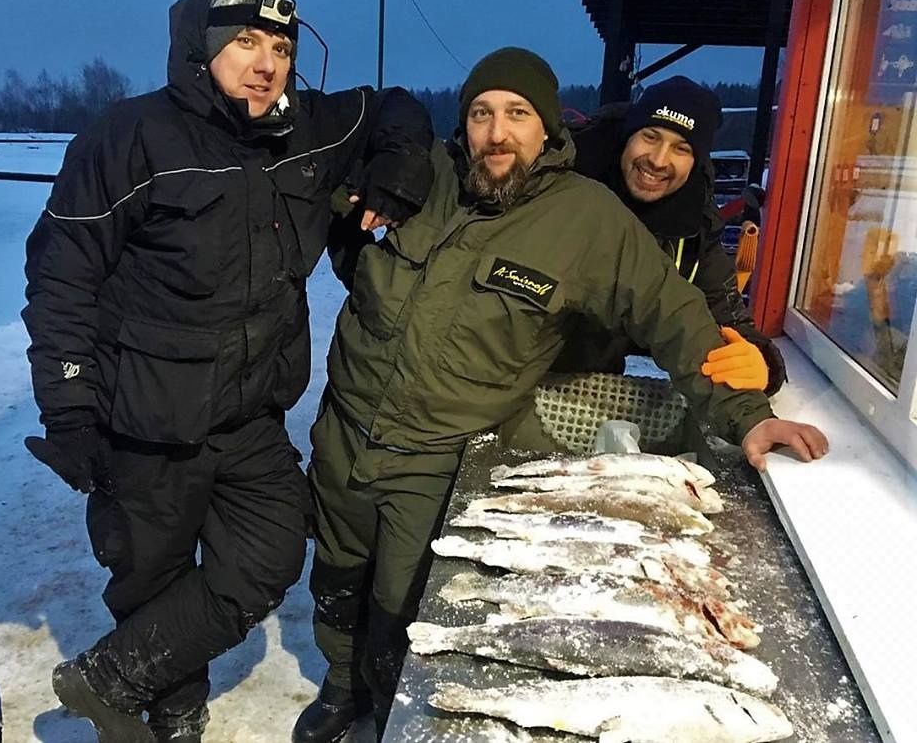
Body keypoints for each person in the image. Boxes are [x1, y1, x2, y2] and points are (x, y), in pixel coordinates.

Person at [294, 47, 828, 743]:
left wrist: (747, 415)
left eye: (517, 114)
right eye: (481, 113)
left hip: (436, 456)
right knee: (335, 577)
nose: (497, 133)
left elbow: (674, 313)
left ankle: (394, 707)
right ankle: (342, 683)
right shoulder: (424, 175)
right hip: (343, 430)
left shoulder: (586, 219)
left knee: (402, 604)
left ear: (547, 129)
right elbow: (318, 163)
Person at [21, 0, 433, 741]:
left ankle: (108, 678)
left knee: (271, 555)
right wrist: (69, 406)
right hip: (146, 418)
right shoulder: (129, 136)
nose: (266, 63)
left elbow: (395, 107)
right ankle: (171, 712)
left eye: (281, 48)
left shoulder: (308, 129)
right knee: (151, 574)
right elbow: (61, 276)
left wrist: (400, 164)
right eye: (245, 42)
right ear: (201, 48)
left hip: (250, 416)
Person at [565, 75, 786, 393]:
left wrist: (761, 364)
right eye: (650, 136)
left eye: (681, 148)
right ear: (628, 135)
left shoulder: (694, 227)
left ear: (695, 162)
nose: (658, 160)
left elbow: (731, 321)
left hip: (587, 388)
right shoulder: (563, 180)